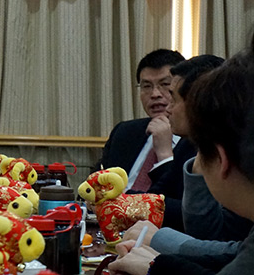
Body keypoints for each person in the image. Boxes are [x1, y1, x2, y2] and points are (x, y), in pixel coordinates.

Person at [108, 39, 254, 274]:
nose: (166, 106)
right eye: (146, 86)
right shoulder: (127, 131)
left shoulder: (223, 152)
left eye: (172, 96)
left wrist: (157, 261)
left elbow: (222, 240)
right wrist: (156, 263)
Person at [146, 55, 225, 231]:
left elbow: (228, 239)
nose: (168, 109)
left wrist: (160, 240)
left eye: (174, 99)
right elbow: (156, 197)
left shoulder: (235, 152)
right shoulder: (188, 143)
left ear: (199, 102)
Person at [93, 49, 185, 191]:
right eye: (146, 86)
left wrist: (164, 155)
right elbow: (95, 185)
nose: (155, 94)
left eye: (165, 84)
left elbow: (181, 199)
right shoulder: (124, 132)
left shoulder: (197, 141)